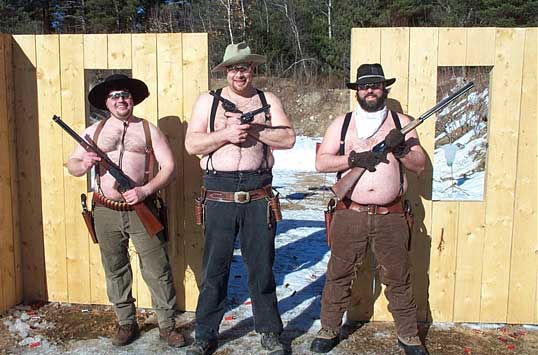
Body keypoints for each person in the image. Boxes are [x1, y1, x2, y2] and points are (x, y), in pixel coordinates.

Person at [184, 42, 296, 355]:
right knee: (214, 270)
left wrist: (254, 130)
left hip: (258, 192)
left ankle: (270, 332)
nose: (239, 73)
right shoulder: (208, 101)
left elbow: (288, 138)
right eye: (233, 68)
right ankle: (205, 334)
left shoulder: (267, 100)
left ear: (252, 69)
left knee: (261, 268)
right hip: (218, 192)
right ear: (226, 71)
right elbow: (192, 144)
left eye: (244, 67)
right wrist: (226, 135)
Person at [311, 64, 428, 355]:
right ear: (357, 91)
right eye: (365, 86)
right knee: (338, 273)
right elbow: (322, 163)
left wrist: (400, 150)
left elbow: (419, 165)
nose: (370, 90)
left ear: (384, 88)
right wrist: (353, 161)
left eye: (376, 85)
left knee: (399, 278)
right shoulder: (342, 123)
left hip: (392, 215)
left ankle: (408, 335)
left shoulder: (402, 122)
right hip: (350, 213)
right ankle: (329, 328)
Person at [66, 74, 185, 348]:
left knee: (158, 269)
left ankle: (167, 326)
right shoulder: (92, 133)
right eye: (115, 96)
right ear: (106, 102)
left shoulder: (147, 130)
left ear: (133, 100)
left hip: (142, 208)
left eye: (125, 95)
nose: (121, 100)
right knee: (115, 268)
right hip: (105, 210)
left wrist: (144, 191)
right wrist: (83, 163)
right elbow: (71, 166)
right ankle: (126, 323)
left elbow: (169, 168)